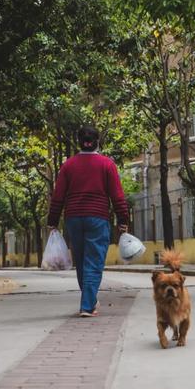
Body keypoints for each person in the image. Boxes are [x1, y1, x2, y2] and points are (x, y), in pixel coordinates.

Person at [47, 126, 128, 317]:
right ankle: (87, 306)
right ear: (97, 142)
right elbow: (117, 196)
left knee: (82, 261)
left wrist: (52, 220)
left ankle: (88, 300)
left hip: (73, 218)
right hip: (97, 218)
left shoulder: (68, 165)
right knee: (94, 262)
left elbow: (58, 196)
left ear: (78, 141)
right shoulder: (107, 164)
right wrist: (122, 218)